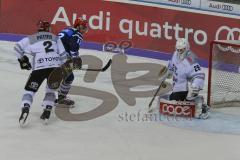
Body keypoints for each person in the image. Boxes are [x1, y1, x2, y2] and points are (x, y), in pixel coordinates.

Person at [14, 20, 67, 124]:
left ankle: (26, 107)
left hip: (39, 68)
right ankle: (47, 109)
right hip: (55, 69)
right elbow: (64, 56)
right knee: (50, 91)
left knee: (29, 91)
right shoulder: (56, 38)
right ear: (49, 28)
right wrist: (64, 67)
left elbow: (17, 48)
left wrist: (23, 59)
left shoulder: (31, 38)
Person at [165, 38, 209, 118]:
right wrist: (169, 71)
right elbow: (172, 64)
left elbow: (200, 75)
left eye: (182, 49)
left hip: (190, 81)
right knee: (173, 101)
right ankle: (188, 100)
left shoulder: (191, 59)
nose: (179, 52)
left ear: (187, 48)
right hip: (179, 82)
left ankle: (200, 103)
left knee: (187, 97)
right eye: (178, 49)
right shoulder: (175, 54)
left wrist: (196, 85)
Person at [55, 18, 88, 106]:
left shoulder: (67, 29)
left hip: (52, 55)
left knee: (58, 76)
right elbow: (73, 49)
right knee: (69, 77)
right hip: (61, 57)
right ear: (78, 26)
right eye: (83, 26)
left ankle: (53, 98)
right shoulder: (77, 34)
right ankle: (61, 98)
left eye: (85, 27)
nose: (84, 29)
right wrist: (76, 60)